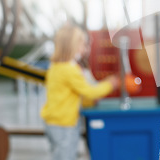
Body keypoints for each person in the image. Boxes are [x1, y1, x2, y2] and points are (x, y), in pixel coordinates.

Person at [41, 25, 120, 160]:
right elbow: (90, 92)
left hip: (53, 121)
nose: (85, 49)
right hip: (63, 123)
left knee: (60, 155)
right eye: (82, 45)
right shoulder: (69, 70)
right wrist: (110, 84)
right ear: (72, 46)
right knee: (66, 156)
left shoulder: (55, 66)